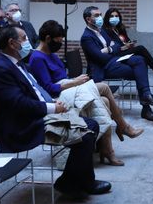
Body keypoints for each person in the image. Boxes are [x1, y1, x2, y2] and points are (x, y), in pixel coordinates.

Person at [0, 26, 111, 200]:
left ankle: (72, 181)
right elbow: (18, 104)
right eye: (24, 38)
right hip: (24, 124)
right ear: (12, 43)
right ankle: (78, 183)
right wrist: (52, 108)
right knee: (86, 133)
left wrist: (52, 102)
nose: (28, 42)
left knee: (91, 125)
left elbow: (35, 90)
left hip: (40, 113)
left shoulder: (17, 63)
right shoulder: (0, 69)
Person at [28, 20, 144, 166]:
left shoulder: (51, 54)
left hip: (68, 88)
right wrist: (74, 82)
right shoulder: (37, 58)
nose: (61, 43)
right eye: (59, 40)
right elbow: (48, 88)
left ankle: (107, 149)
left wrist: (74, 81)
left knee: (105, 101)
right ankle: (122, 128)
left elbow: (62, 77)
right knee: (104, 87)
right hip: (57, 97)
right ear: (48, 38)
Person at [81, 6, 153, 122]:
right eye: (97, 15)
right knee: (140, 71)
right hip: (104, 68)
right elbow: (100, 57)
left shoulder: (101, 31)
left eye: (100, 15)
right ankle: (146, 107)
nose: (100, 18)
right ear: (88, 19)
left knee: (140, 60)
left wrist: (108, 49)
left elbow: (117, 45)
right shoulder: (86, 37)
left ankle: (146, 97)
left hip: (114, 61)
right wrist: (112, 50)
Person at [103, 8, 153, 84]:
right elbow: (111, 47)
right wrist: (124, 47)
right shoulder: (105, 31)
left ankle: (151, 80)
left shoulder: (120, 29)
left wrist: (130, 44)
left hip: (125, 53)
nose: (114, 18)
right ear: (107, 18)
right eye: (112, 16)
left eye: (116, 16)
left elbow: (127, 41)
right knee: (141, 49)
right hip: (115, 55)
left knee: (143, 57)